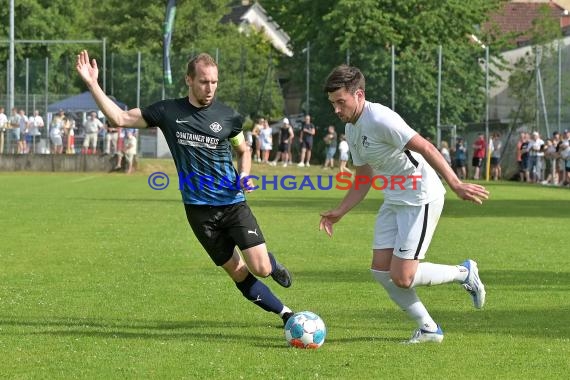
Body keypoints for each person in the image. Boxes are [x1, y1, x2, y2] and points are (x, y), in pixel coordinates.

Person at [76, 50, 295, 325]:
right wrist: (93, 84)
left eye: (214, 82)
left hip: (232, 203)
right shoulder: (167, 111)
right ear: (188, 80)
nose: (210, 88)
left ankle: (272, 264)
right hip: (199, 212)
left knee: (260, 267)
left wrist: (245, 174)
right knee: (238, 272)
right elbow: (120, 119)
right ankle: (286, 315)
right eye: (204, 81)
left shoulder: (229, 117)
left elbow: (244, 150)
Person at [320, 64, 489, 344]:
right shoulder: (352, 128)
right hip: (394, 199)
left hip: (420, 196)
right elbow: (363, 177)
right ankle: (428, 329)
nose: (336, 109)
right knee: (380, 271)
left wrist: (456, 184)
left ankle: (465, 273)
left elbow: (426, 147)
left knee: (402, 276)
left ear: (359, 95)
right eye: (333, 103)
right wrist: (339, 212)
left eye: (341, 102)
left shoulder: (381, 119)